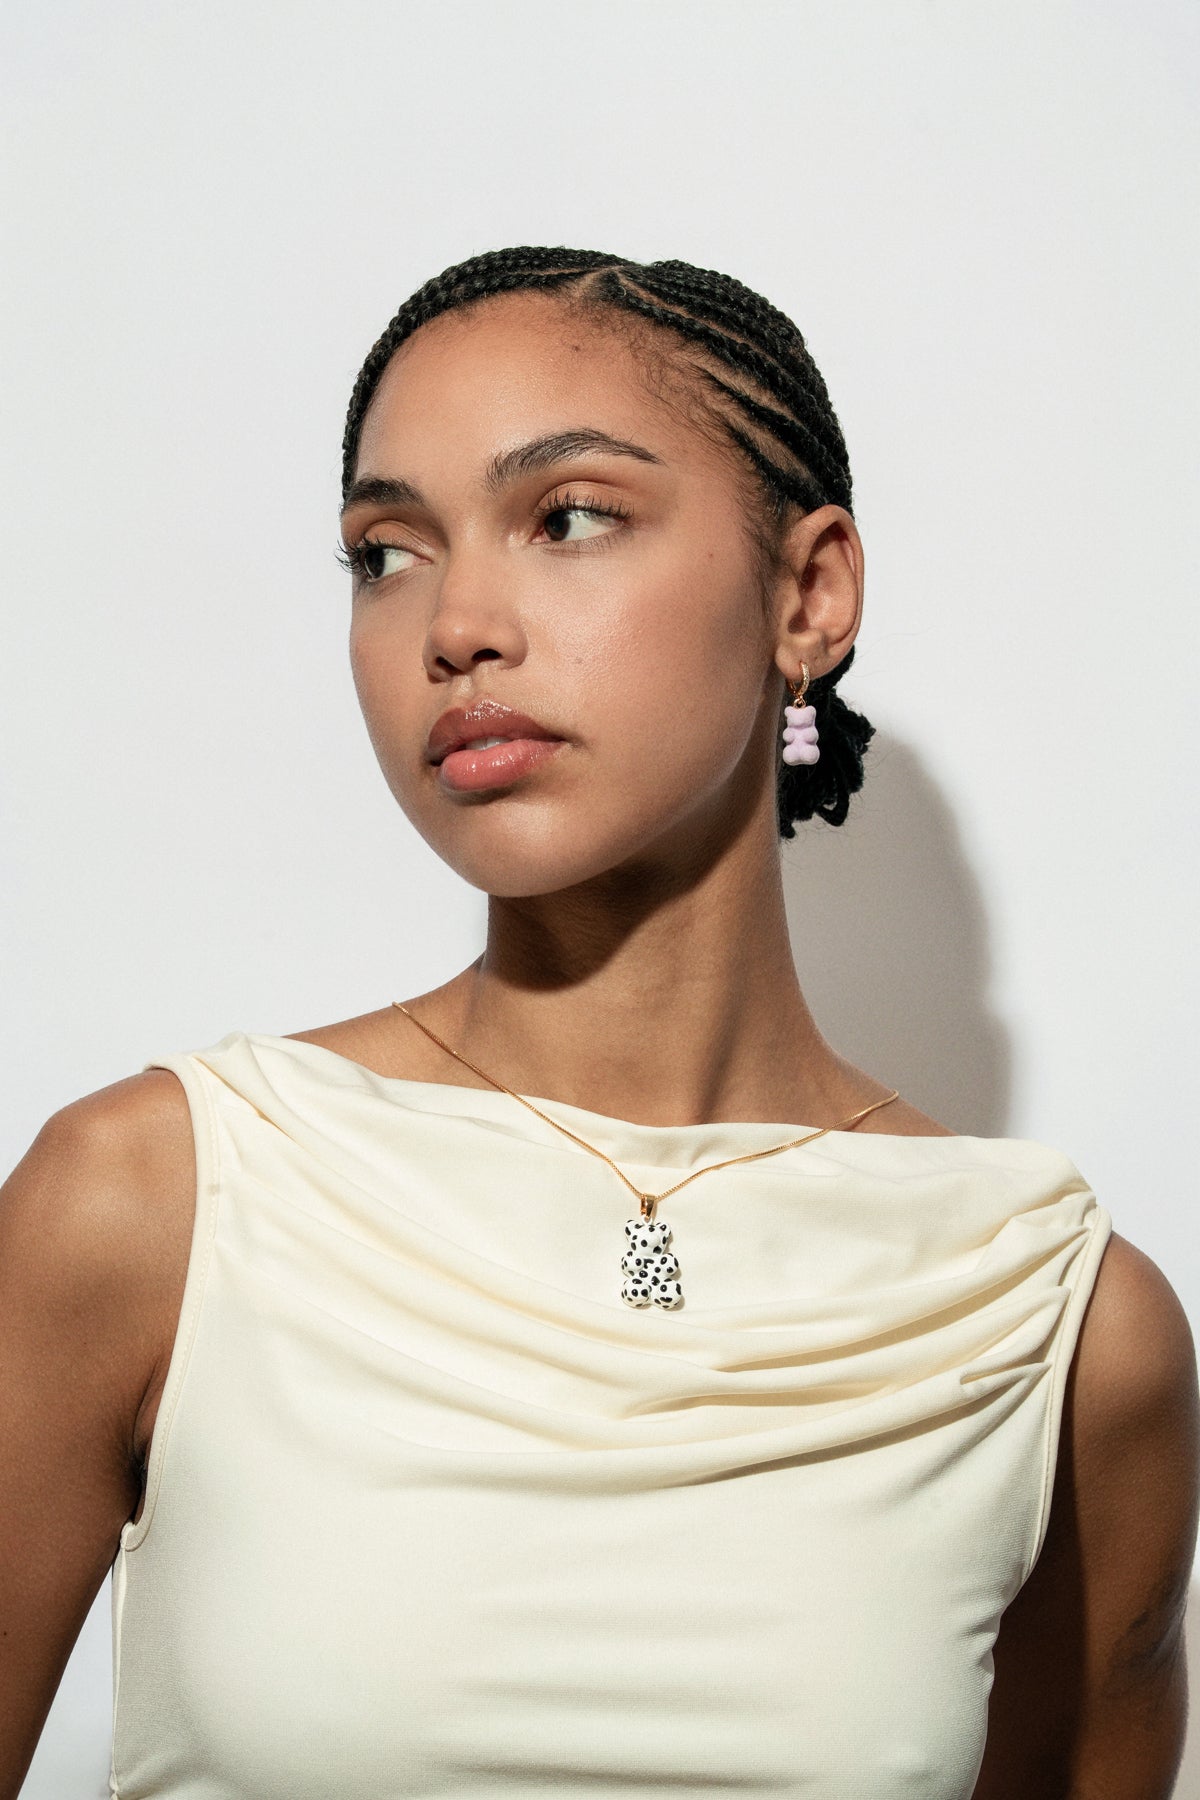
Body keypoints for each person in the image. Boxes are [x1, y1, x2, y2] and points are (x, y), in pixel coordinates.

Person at [1, 247, 1197, 1800]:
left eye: (569, 517)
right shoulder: (157, 1202)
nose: (456, 625)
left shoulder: (1054, 1325)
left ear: (810, 593)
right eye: (386, 552)